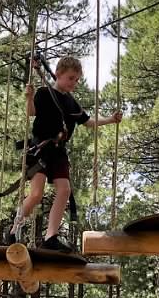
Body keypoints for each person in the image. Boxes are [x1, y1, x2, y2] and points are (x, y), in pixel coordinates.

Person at [8, 56, 122, 252]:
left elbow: (88, 122)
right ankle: (13, 230)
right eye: (71, 78)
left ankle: (51, 236)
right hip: (41, 149)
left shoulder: (71, 103)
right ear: (58, 74)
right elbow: (31, 112)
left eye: (77, 80)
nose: (74, 83)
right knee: (36, 194)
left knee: (64, 189)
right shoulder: (44, 93)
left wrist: (110, 120)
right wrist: (28, 97)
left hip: (59, 152)